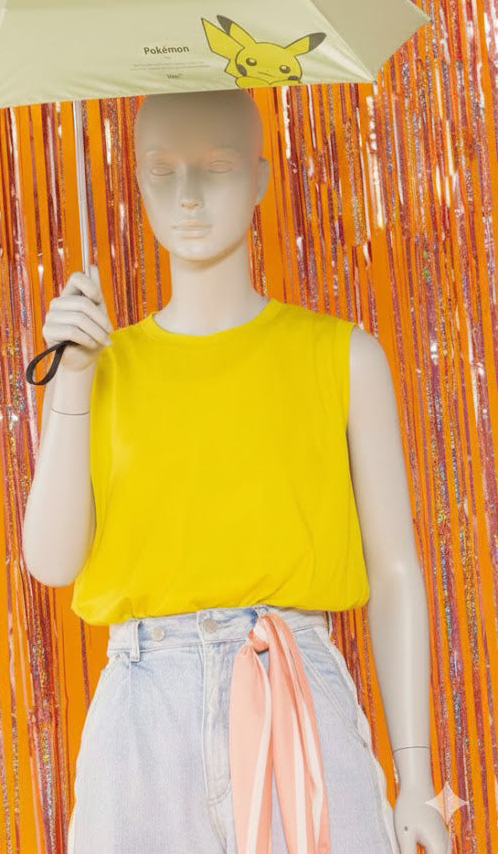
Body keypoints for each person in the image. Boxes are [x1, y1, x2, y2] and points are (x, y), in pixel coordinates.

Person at [23, 89, 451, 854]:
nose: (187, 196)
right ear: (136, 181)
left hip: (294, 694)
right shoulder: (98, 367)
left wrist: (414, 775)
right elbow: (50, 563)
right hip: (143, 720)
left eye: (216, 167)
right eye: (163, 171)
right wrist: (74, 378)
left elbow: (394, 570)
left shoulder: (343, 358)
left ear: (259, 178)